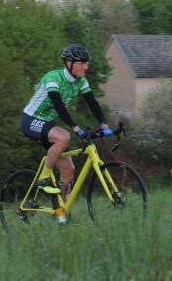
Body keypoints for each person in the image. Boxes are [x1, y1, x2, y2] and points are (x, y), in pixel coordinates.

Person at [20, 44, 111, 199]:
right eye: (82, 63)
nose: (85, 67)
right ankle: (44, 177)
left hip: (47, 124)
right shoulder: (53, 78)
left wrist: (103, 124)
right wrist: (75, 128)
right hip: (30, 120)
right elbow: (59, 106)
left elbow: (92, 103)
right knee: (64, 137)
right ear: (69, 63)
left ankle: (62, 212)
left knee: (69, 169)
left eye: (86, 63)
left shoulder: (81, 81)